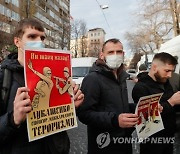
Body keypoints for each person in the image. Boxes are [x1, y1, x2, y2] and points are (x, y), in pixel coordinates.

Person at [0, 18, 84, 154]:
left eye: (42, 38)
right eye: (32, 36)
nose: (39, 41)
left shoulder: (55, 73)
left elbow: (60, 113)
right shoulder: (4, 77)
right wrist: (12, 119)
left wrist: (71, 105)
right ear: (17, 41)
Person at [77, 38, 138, 154]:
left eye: (119, 52)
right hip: (103, 144)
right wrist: (115, 120)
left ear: (123, 54)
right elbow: (84, 114)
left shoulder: (121, 77)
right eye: (110, 52)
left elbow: (120, 106)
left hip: (123, 141)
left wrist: (142, 107)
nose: (115, 55)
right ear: (101, 55)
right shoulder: (92, 79)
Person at [132, 52, 180, 154]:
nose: (170, 75)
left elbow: (172, 108)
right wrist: (171, 102)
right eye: (167, 71)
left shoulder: (165, 82)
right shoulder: (141, 87)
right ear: (154, 67)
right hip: (152, 141)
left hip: (168, 136)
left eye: (172, 71)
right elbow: (146, 117)